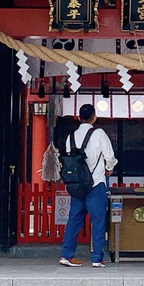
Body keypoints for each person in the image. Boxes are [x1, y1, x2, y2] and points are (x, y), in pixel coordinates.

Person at [59, 104, 116, 268]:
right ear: (94, 117)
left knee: (74, 220)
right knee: (98, 221)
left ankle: (67, 255)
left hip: (77, 185)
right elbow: (109, 155)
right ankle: (97, 258)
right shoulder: (98, 133)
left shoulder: (71, 137)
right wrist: (109, 168)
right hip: (96, 183)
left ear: (78, 117)